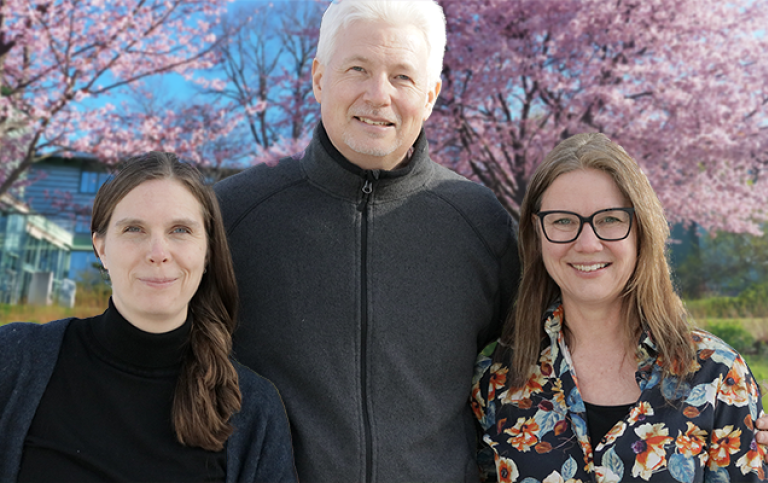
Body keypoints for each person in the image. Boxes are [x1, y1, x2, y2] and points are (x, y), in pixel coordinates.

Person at [214, 0, 520, 481]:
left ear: (431, 95)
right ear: (319, 78)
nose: (379, 95)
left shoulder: (480, 223)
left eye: (403, 77)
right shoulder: (233, 214)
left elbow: (545, 358)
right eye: (358, 68)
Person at [472, 133, 768, 482]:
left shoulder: (717, 378)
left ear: (641, 230)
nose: (586, 243)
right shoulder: (498, 381)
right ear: (538, 233)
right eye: (563, 221)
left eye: (610, 219)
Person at [0, 152, 297, 483]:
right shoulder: (15, 359)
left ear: (208, 250)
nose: (158, 253)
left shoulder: (251, 408)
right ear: (101, 248)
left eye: (180, 230)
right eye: (134, 229)